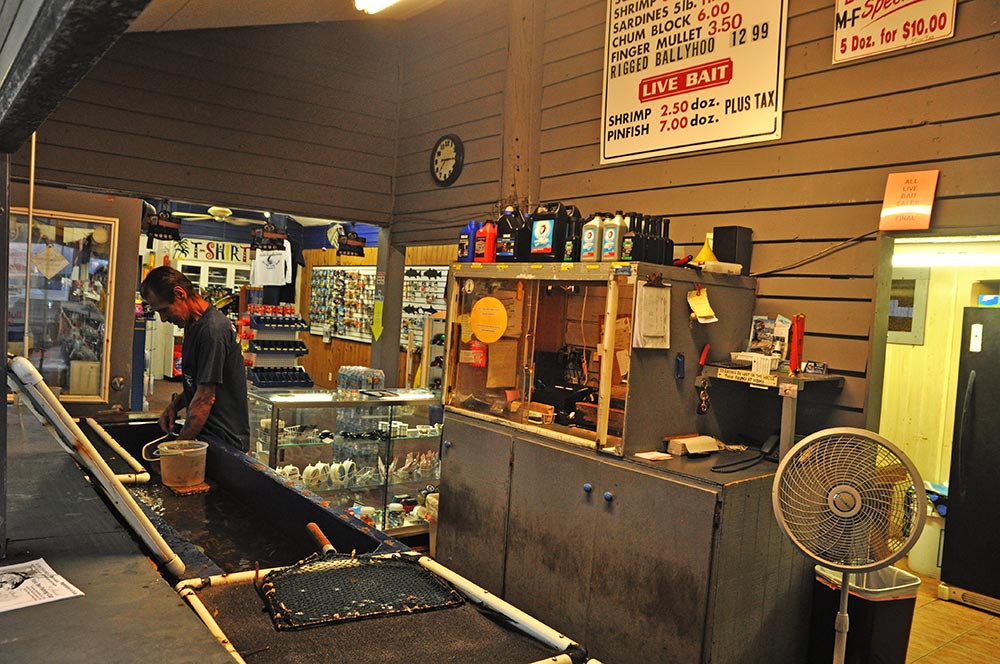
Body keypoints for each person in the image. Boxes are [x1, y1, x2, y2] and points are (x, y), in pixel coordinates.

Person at [141, 266, 249, 452]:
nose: (164, 319)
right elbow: (199, 384)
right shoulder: (193, 324)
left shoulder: (212, 331)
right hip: (208, 433)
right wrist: (175, 406)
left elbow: (204, 399)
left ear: (180, 293)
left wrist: (176, 449)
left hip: (225, 442)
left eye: (165, 310)